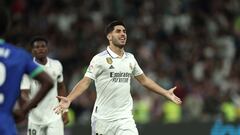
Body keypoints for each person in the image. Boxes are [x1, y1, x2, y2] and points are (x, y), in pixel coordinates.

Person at [54, 20, 182, 135]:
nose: (123, 34)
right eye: (118, 31)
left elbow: (144, 80)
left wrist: (165, 92)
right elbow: (85, 82)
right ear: (109, 36)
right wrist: (69, 98)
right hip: (103, 119)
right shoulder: (99, 59)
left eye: (124, 31)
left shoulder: (130, 58)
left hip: (125, 118)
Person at [0, 7, 54, 135]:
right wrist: (24, 110)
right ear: (7, 28)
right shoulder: (19, 56)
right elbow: (48, 82)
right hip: (5, 125)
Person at [20, 36, 69, 135]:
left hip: (55, 116)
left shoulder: (57, 65)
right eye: (37, 47)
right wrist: (29, 102)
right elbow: (23, 93)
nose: (40, 49)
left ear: (47, 48)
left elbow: (61, 87)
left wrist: (64, 110)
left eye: (43, 46)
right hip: (35, 118)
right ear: (32, 50)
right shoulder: (28, 69)